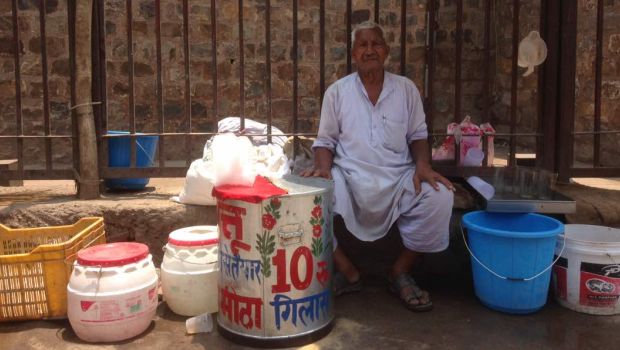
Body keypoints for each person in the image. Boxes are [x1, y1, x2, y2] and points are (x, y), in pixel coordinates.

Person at [301, 21, 454, 312]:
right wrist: (323, 170)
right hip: (349, 177)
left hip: (397, 178)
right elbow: (325, 141)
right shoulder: (337, 92)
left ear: (386, 50)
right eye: (363, 44)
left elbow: (418, 135)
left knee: (440, 197)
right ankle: (349, 272)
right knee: (309, 201)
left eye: (376, 44)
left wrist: (422, 165)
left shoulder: (406, 89)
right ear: (354, 53)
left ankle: (399, 273)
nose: (370, 50)